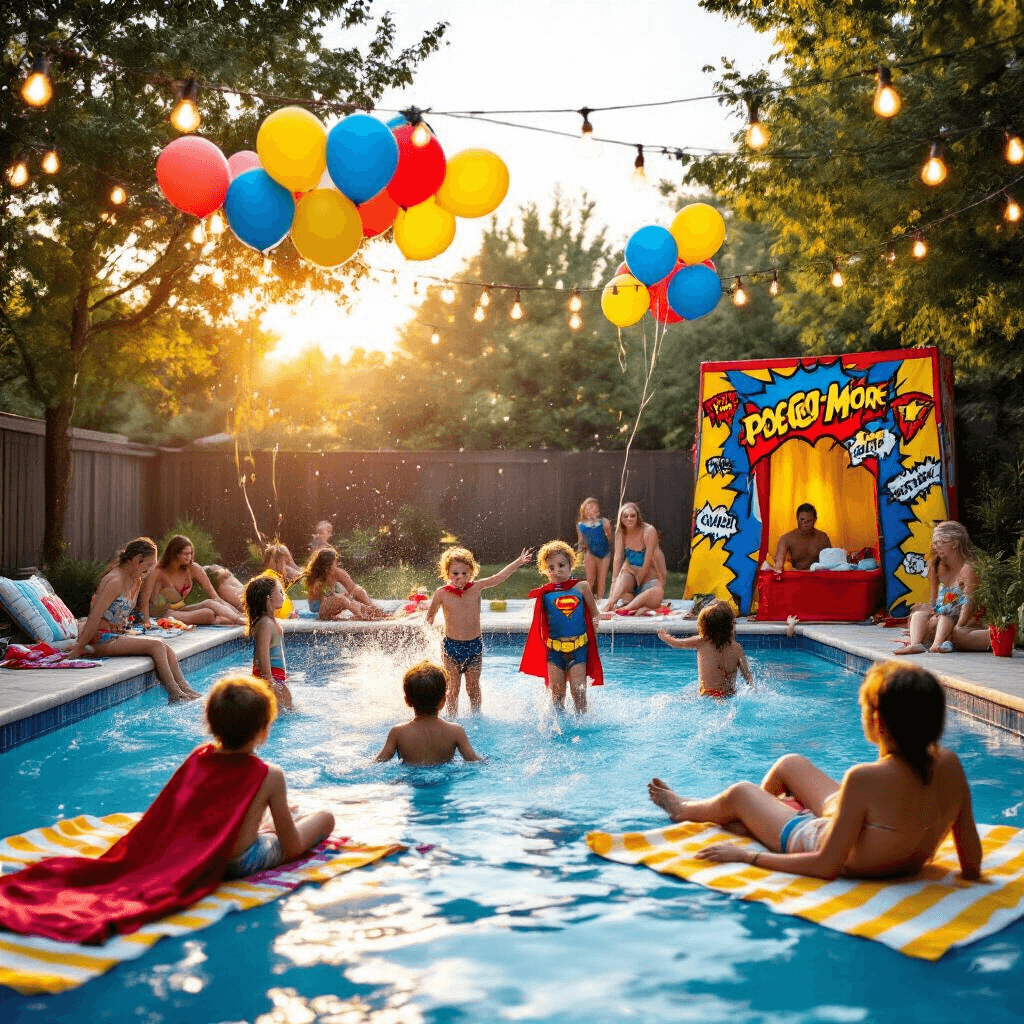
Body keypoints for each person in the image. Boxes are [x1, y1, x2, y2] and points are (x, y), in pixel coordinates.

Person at [0, 676, 333, 944]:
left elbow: (172, 812)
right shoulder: (269, 774)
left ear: (210, 723)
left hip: (207, 851)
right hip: (239, 862)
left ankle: (262, 829)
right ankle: (270, 828)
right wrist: (284, 830)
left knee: (266, 821)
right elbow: (291, 849)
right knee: (322, 819)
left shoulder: (200, 756)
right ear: (264, 729)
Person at [647, 661, 982, 881]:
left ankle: (685, 809)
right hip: (875, 836)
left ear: (877, 721)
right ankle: (761, 819)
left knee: (740, 793)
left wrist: (747, 858)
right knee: (790, 763)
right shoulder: (950, 764)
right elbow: (972, 864)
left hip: (816, 839)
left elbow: (825, 865)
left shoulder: (866, 779)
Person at [72, 538, 200, 703]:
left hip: (114, 636)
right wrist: (79, 648)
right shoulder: (115, 581)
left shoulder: (136, 580)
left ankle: (185, 688)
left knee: (166, 648)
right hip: (99, 639)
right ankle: (175, 693)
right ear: (137, 560)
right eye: (148, 565)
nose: (150, 570)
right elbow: (94, 617)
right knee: (157, 645)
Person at [425, 545, 533, 715]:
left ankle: (476, 717)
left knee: (473, 688)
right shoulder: (441, 594)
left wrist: (518, 562)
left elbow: (499, 577)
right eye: (455, 573)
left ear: (471, 573)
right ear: (447, 574)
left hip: (473, 647)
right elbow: (430, 616)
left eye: (464, 573)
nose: (460, 577)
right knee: (453, 689)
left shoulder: (475, 588)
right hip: (451, 648)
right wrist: (428, 627)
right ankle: (452, 719)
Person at [520, 540, 603, 713]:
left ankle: (583, 725)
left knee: (578, 692)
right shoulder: (546, 593)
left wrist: (595, 627)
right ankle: (560, 726)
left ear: (571, 564)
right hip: (555, 651)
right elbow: (540, 623)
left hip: (579, 647)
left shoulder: (582, 587)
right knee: (557, 695)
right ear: (546, 571)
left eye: (561, 565)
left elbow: (595, 613)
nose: (557, 571)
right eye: (551, 568)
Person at [894, 520, 991, 655]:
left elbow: (969, 603)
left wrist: (958, 625)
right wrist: (932, 612)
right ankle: (915, 645)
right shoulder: (936, 566)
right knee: (919, 614)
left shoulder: (968, 569)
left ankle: (938, 643)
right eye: (934, 542)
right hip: (945, 615)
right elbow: (933, 600)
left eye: (940, 542)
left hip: (967, 620)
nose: (935, 547)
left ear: (955, 543)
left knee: (951, 624)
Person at [374, 661, 483, 765]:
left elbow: (377, 762)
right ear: (443, 701)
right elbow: (474, 760)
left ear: (407, 701)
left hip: (410, 781)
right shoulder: (455, 731)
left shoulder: (398, 732)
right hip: (444, 781)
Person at [141, 535, 245, 626]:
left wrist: (238, 613)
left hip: (181, 609)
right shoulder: (158, 571)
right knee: (207, 614)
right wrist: (146, 622)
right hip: (163, 613)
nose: (189, 557)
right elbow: (144, 601)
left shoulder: (193, 568)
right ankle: (232, 620)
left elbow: (215, 598)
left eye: (190, 553)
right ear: (174, 554)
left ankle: (238, 619)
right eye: (185, 554)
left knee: (210, 605)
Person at [657, 600, 752, 698]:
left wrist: (665, 636)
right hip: (729, 695)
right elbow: (747, 676)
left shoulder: (701, 642)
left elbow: (677, 643)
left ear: (703, 626)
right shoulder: (737, 648)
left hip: (708, 695)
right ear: (730, 626)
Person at [601, 502, 667, 614]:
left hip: (649, 580)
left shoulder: (648, 531)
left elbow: (647, 566)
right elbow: (617, 557)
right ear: (620, 518)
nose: (629, 519)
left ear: (638, 516)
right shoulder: (620, 532)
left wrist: (633, 573)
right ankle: (613, 603)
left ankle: (629, 607)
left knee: (657, 592)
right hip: (632, 582)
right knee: (624, 575)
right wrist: (614, 585)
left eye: (632, 516)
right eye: (625, 516)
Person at [244, 575, 295, 711]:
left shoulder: (270, 621)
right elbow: (262, 653)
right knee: (281, 714)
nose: (283, 595)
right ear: (268, 597)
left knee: (287, 711)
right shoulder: (265, 624)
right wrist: (269, 680)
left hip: (276, 677)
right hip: (267, 678)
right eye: (280, 591)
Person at [303, 546, 388, 621]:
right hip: (318, 607)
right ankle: (360, 615)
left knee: (357, 591)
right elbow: (327, 598)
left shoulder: (336, 572)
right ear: (327, 567)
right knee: (343, 598)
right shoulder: (318, 581)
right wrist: (349, 600)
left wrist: (367, 603)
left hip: (333, 600)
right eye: (335, 562)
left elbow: (353, 588)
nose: (337, 563)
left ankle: (376, 612)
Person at [773, 503, 832, 574]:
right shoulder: (786, 538)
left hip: (818, 577)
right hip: (796, 577)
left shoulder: (823, 537)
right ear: (797, 519)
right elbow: (779, 560)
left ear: (815, 520)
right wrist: (778, 567)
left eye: (809, 521)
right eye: (802, 519)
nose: (805, 523)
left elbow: (831, 562)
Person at [576, 496, 613, 600]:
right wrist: (579, 548)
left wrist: (607, 532)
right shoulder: (581, 525)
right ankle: (589, 599)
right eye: (587, 509)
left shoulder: (604, 522)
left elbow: (610, 539)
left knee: (602, 578)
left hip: (604, 553)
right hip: (590, 553)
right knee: (590, 579)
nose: (589, 511)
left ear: (597, 510)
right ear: (583, 511)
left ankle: (600, 599)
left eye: (592, 508)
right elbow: (581, 540)